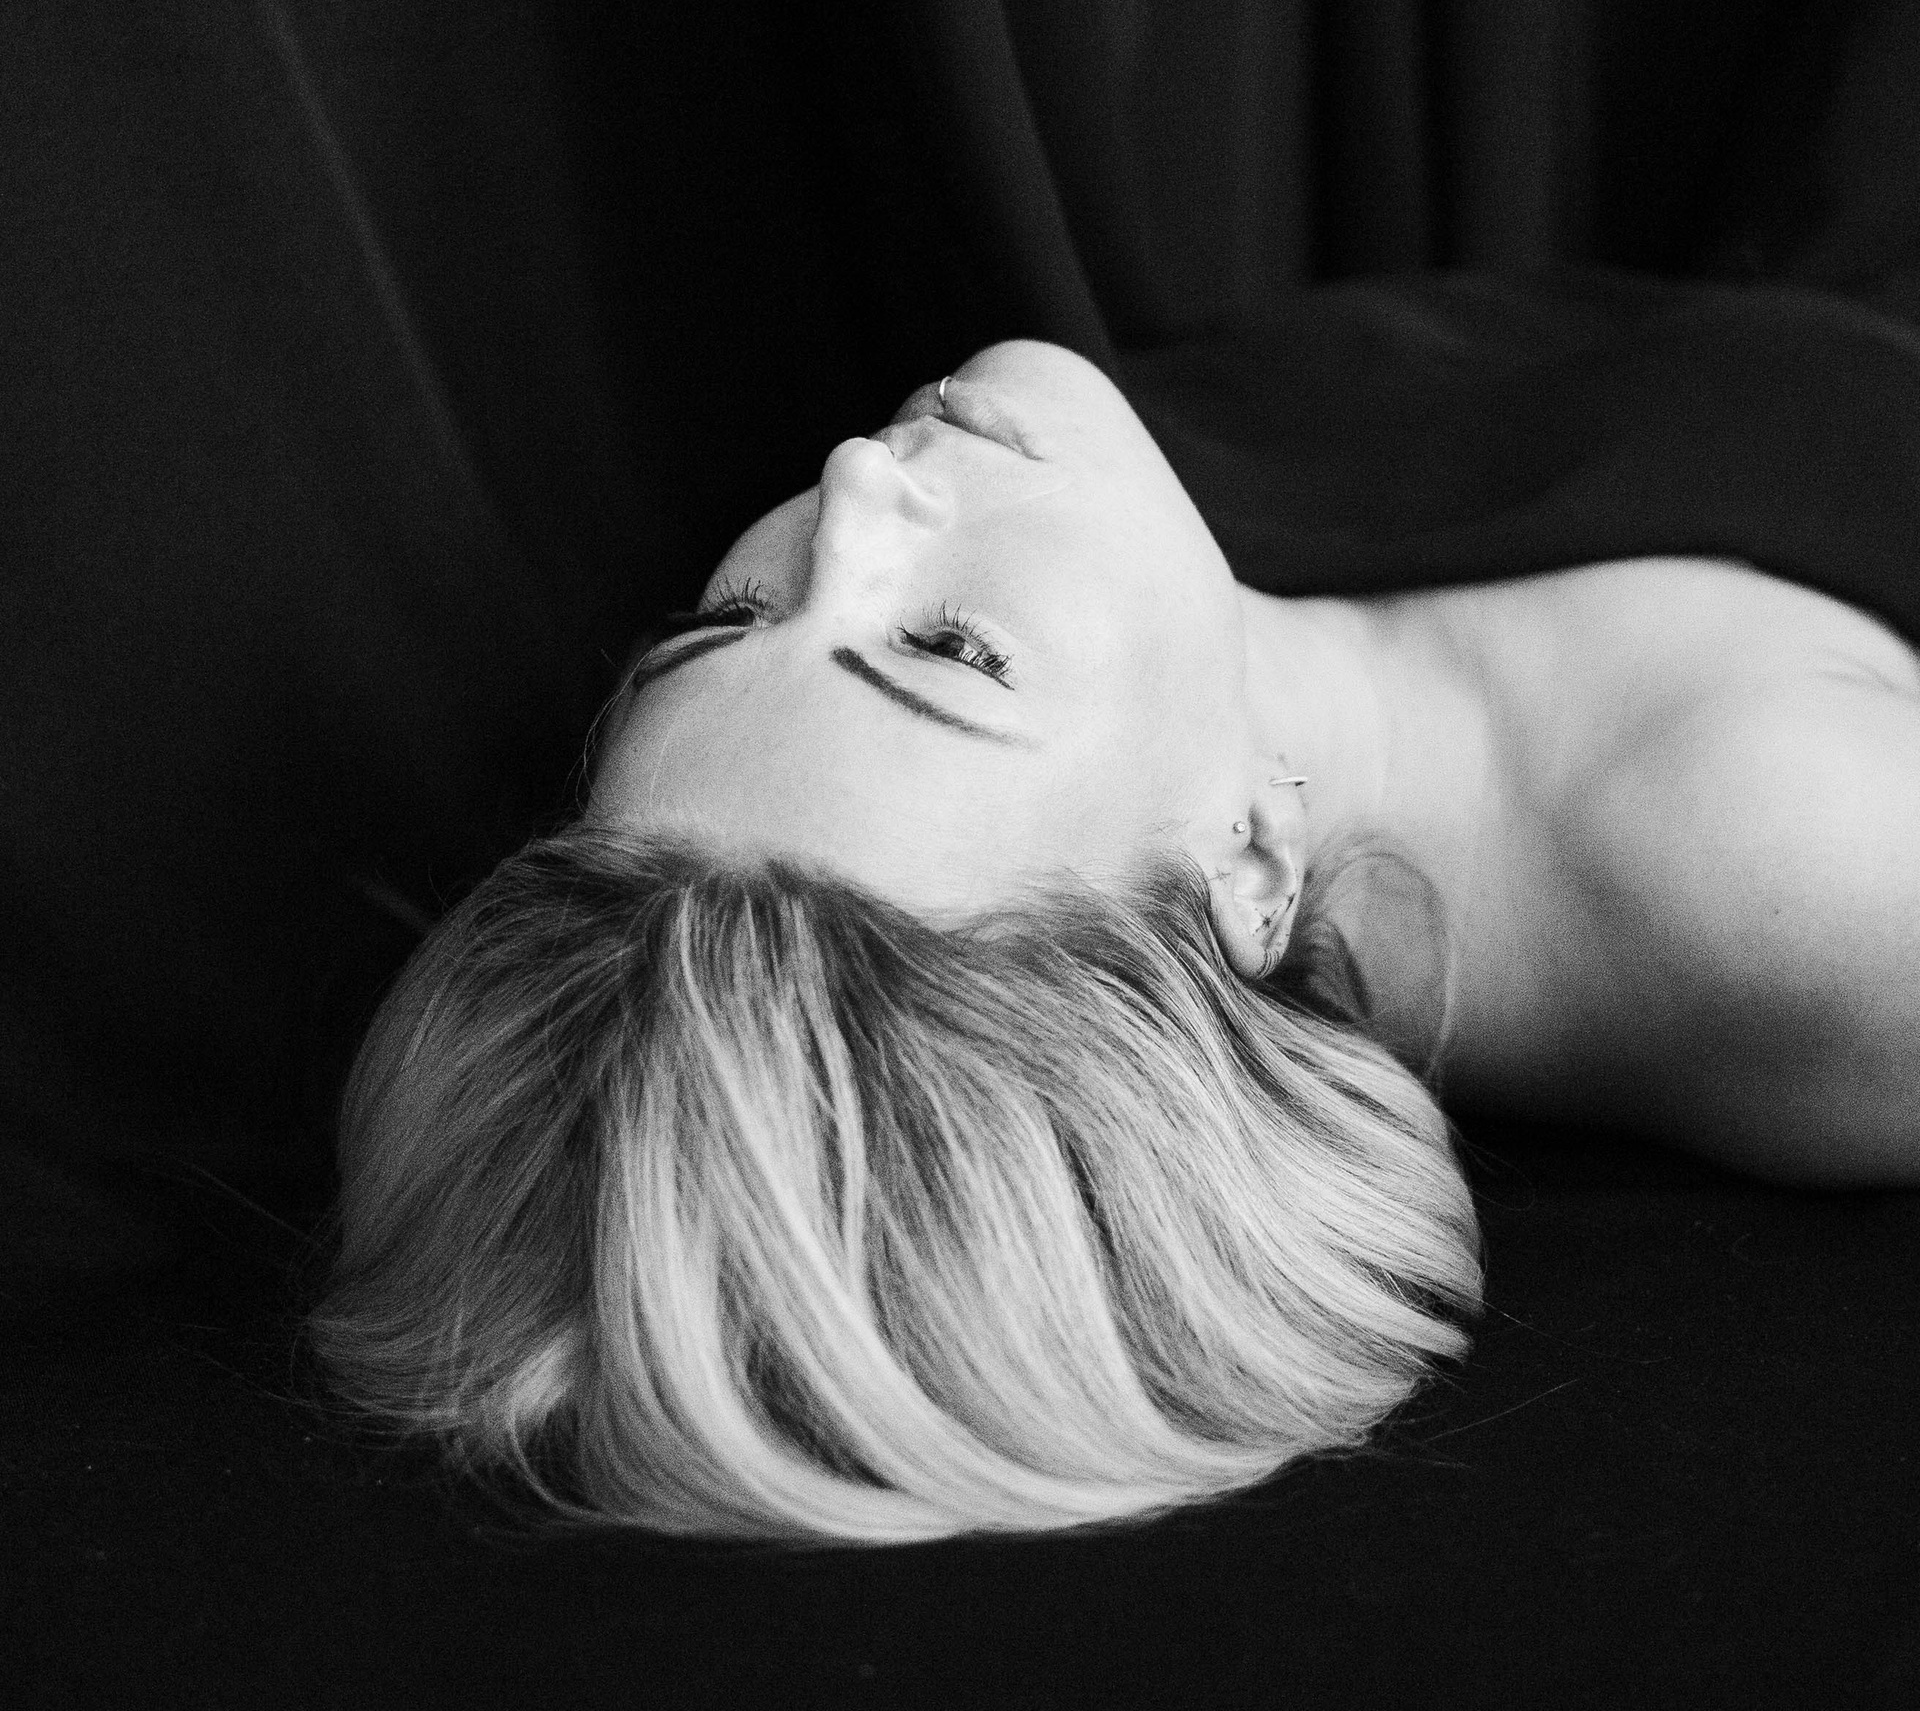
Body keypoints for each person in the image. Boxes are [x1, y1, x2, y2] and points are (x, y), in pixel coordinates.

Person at [308, 338, 1920, 1545]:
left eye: (731, 622)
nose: (852, 489)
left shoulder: (1134, 576)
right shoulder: (1799, 883)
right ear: (1249, 864)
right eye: (951, 652)